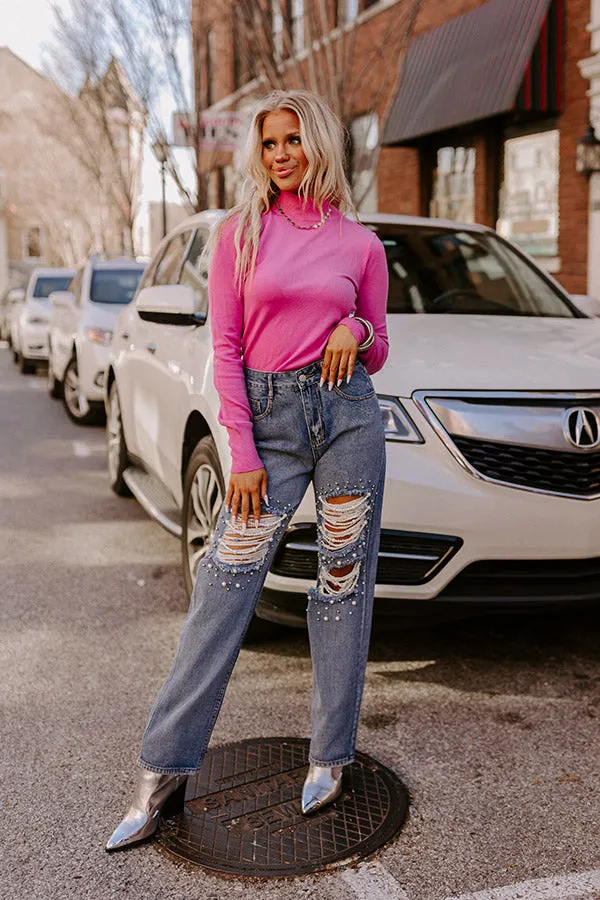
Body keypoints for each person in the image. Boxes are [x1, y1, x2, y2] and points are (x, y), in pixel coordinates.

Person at [106, 89, 389, 852]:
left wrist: (354, 326)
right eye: (269, 144)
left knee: (340, 586)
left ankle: (330, 755)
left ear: (319, 144)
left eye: (293, 139)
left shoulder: (361, 245)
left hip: (349, 418)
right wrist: (242, 452)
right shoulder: (242, 234)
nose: (281, 155)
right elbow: (224, 350)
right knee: (223, 594)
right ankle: (162, 767)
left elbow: (380, 344)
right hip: (269, 424)